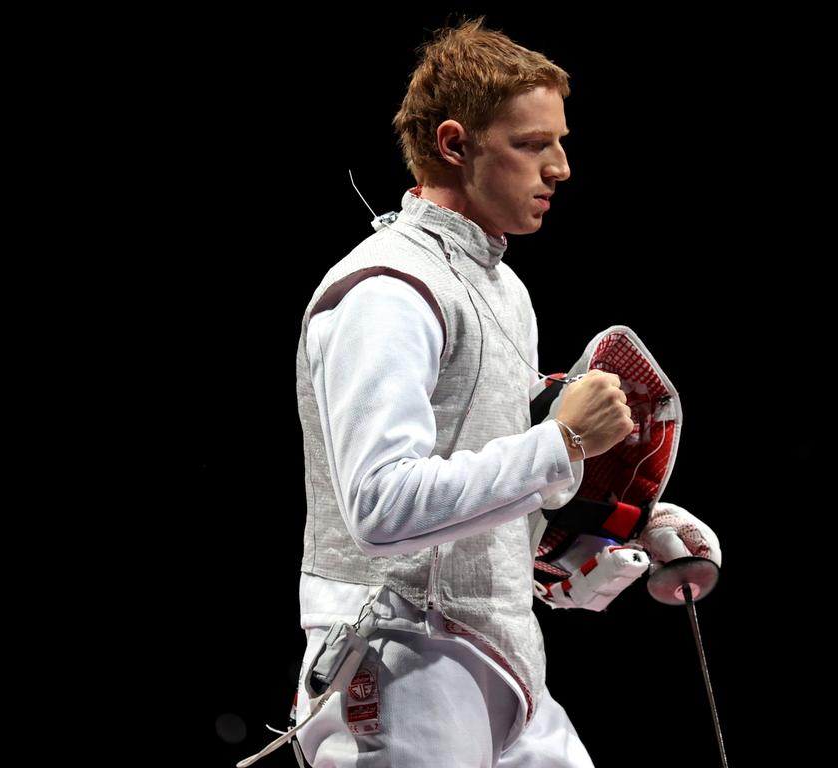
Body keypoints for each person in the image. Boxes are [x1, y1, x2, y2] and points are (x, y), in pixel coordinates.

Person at [268, 18, 719, 768]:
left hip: (499, 649)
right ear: (454, 144)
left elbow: (486, 477)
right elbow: (381, 509)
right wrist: (563, 442)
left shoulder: (501, 286)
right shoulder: (386, 291)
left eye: (560, 142)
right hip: (400, 656)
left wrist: (608, 526)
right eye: (532, 144)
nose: (561, 167)